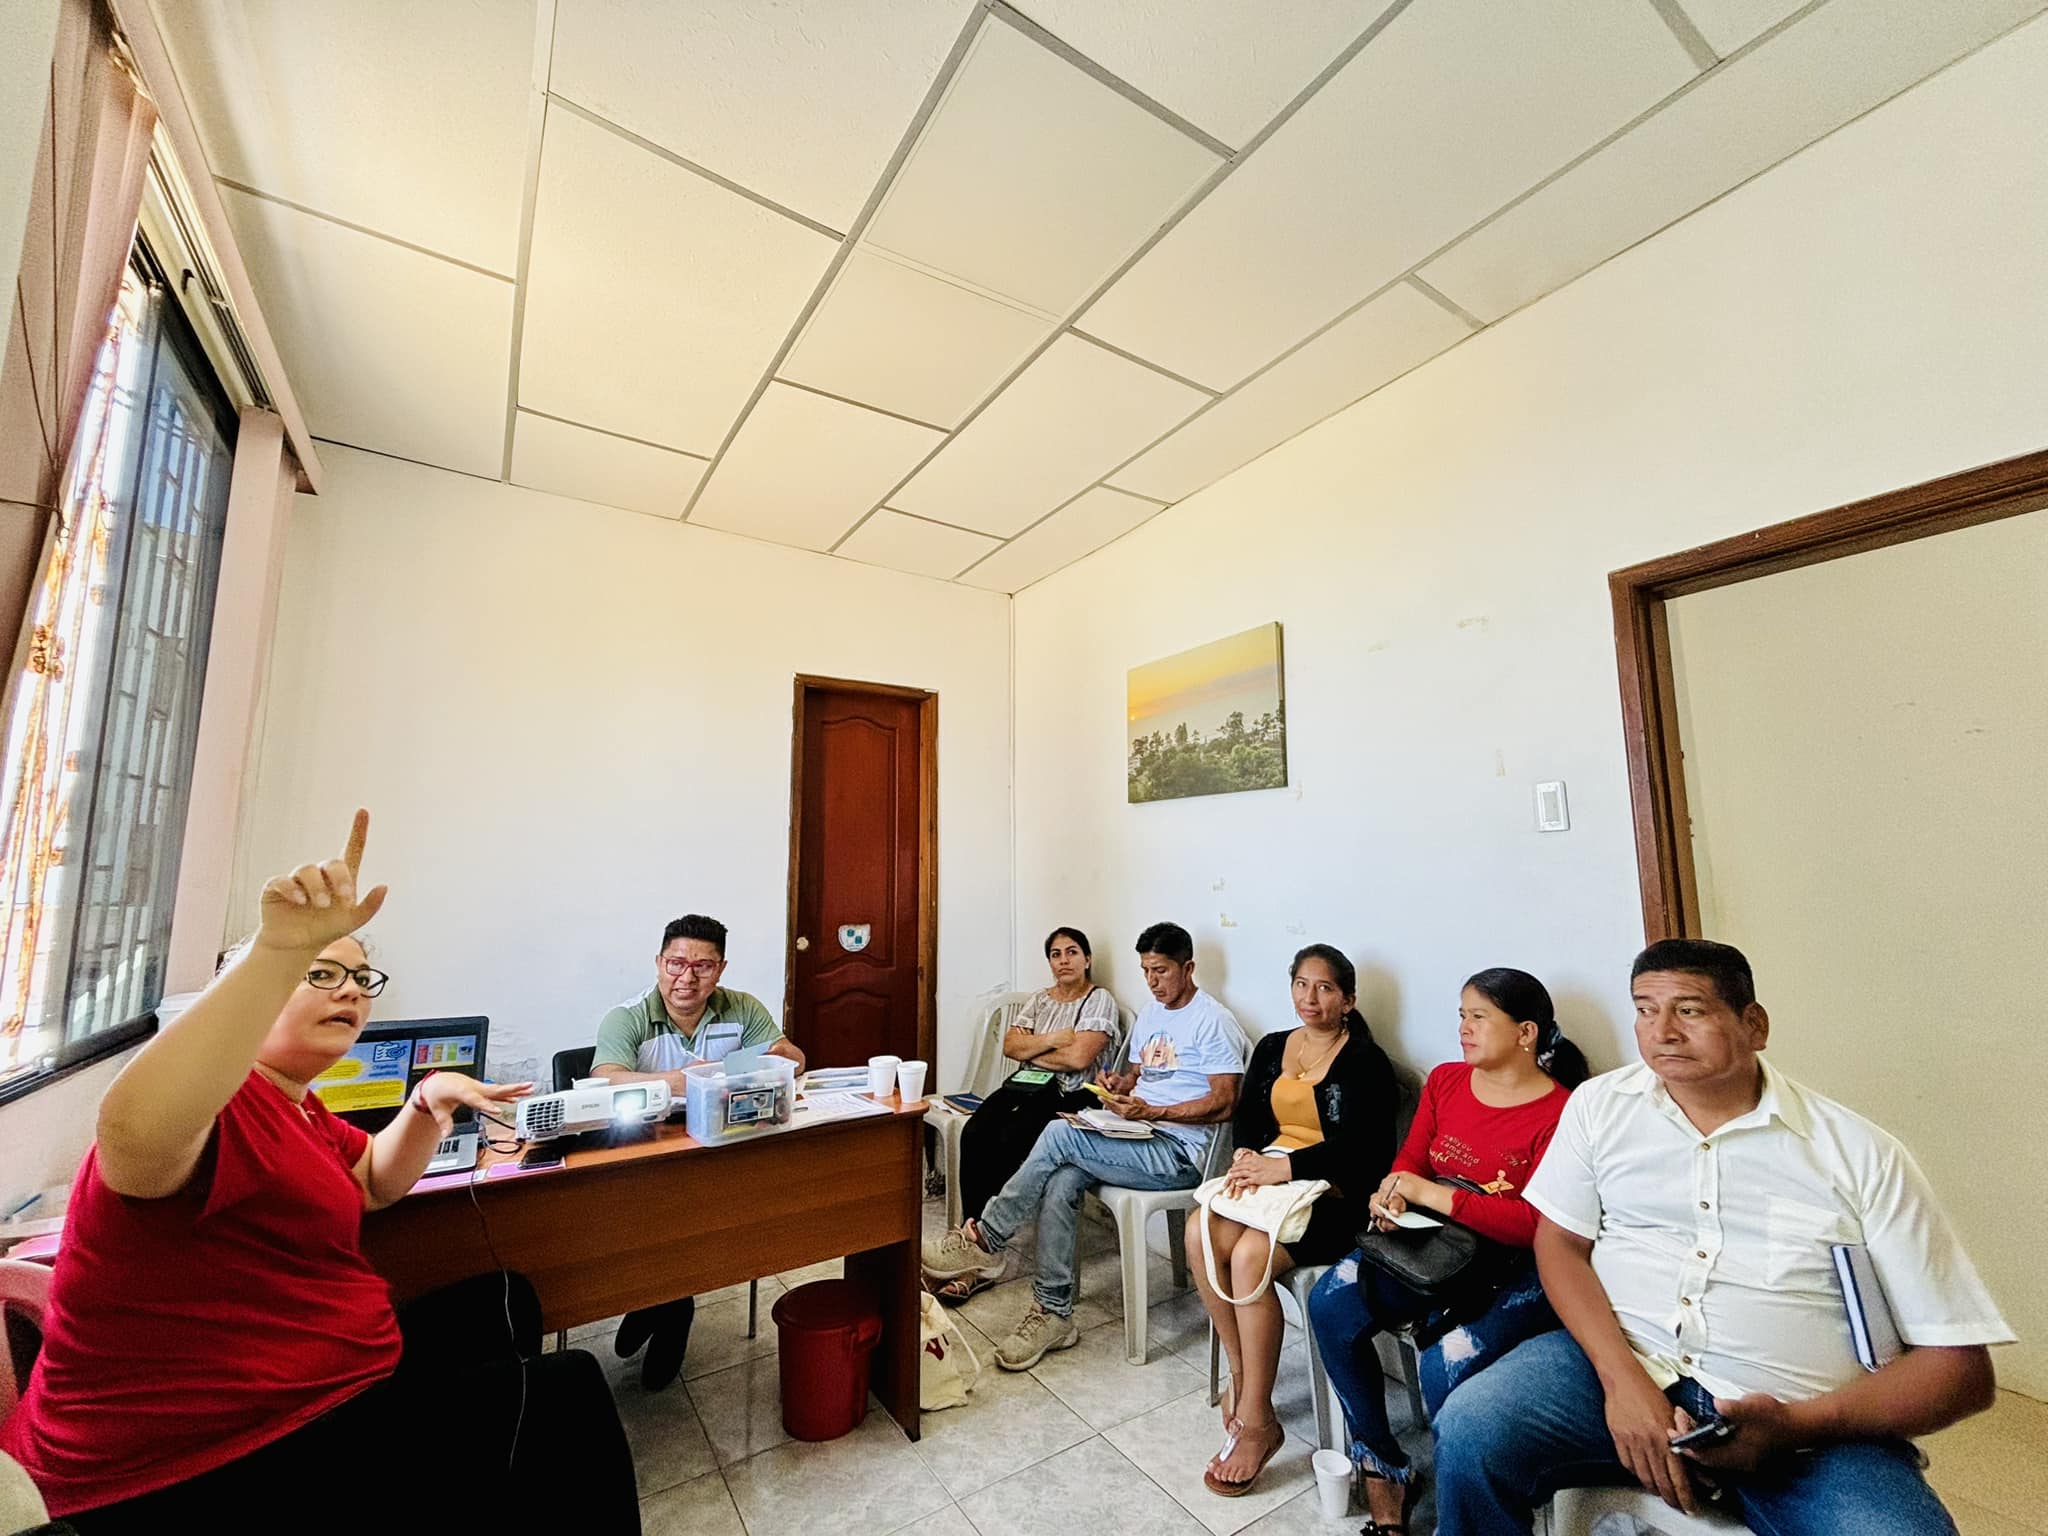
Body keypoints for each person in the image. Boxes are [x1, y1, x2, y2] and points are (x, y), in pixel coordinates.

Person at [0, 813, 636, 1530]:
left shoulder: (298, 1107)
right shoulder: (217, 1106)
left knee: (505, 1298)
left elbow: (372, 1182)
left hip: (313, 1381)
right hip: (197, 1456)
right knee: (567, 1392)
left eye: (361, 979)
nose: (351, 992)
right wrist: (277, 951)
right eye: (322, 974)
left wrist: (429, 1100)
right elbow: (132, 1128)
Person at [1433, 939, 2014, 1536]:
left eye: (1689, 1010)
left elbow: (1959, 1371)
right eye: (1644, 1010)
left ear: (1754, 1025)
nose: (1662, 1032)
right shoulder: (1601, 1106)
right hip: (1623, 1361)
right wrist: (1624, 1382)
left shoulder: (1859, 1155)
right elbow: (1560, 1243)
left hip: (1805, 1421)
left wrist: (1799, 1425)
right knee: (1473, 1427)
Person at [1309, 966, 1586, 1534]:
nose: (1464, 1028)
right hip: (1432, 1246)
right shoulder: (1447, 1081)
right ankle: (1382, 1463)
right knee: (1330, 1301)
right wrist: (1392, 1191)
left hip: (1514, 1269)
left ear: (1526, 1032)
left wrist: (1433, 1194)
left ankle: (1461, 1505)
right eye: (1462, 1015)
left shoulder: (1561, 1114)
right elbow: (1412, 1159)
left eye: (1479, 1017)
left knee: (1444, 1366)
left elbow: (1537, 1226)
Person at [921, 921, 1245, 1370]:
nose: (1152, 982)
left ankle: (985, 1236)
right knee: (1062, 1178)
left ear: (1188, 968)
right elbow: (1136, 1075)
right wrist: (1119, 1085)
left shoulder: (1214, 1021)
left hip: (1178, 1152)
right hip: (1138, 1134)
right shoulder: (1153, 1014)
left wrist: (1156, 1112)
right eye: (1146, 971)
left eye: (1162, 971)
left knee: (1058, 1133)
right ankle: (1054, 1313)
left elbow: (1225, 1102)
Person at [1187, 943, 1399, 1498]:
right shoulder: (1274, 1046)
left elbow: (1365, 1151)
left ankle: (1257, 1419)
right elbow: (1248, 1119)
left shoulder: (1365, 1061)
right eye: (1302, 984)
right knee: (1199, 1231)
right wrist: (1245, 1158)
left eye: (1325, 988)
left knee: (1249, 1258)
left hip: (1335, 1194)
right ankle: (1243, 1376)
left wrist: (1282, 1167)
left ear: (1348, 1001)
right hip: (1271, 1178)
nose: (1311, 997)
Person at [590, 911, 805, 1389]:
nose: (686, 978)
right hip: (647, 1154)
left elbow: (792, 1059)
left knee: (711, 1210)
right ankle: (669, 1302)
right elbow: (605, 1079)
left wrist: (769, 1062)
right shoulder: (628, 1017)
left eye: (702, 967)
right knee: (654, 1214)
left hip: (724, 1151)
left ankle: (664, 1301)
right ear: (659, 962)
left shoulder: (742, 1007)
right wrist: (683, 1079)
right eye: (676, 964)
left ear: (720, 970)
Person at [942, 925, 1124, 1283]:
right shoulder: (1040, 999)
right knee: (975, 1133)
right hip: (1025, 1085)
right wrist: (1056, 1039)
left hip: (1072, 1094)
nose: (1063, 961)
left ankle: (987, 1247)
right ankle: (970, 1230)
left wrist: (1034, 1049)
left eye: (1072, 952)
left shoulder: (1099, 999)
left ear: (1087, 959)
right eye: (1056, 954)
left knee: (1010, 1139)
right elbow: (1011, 1046)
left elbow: (1079, 1058)